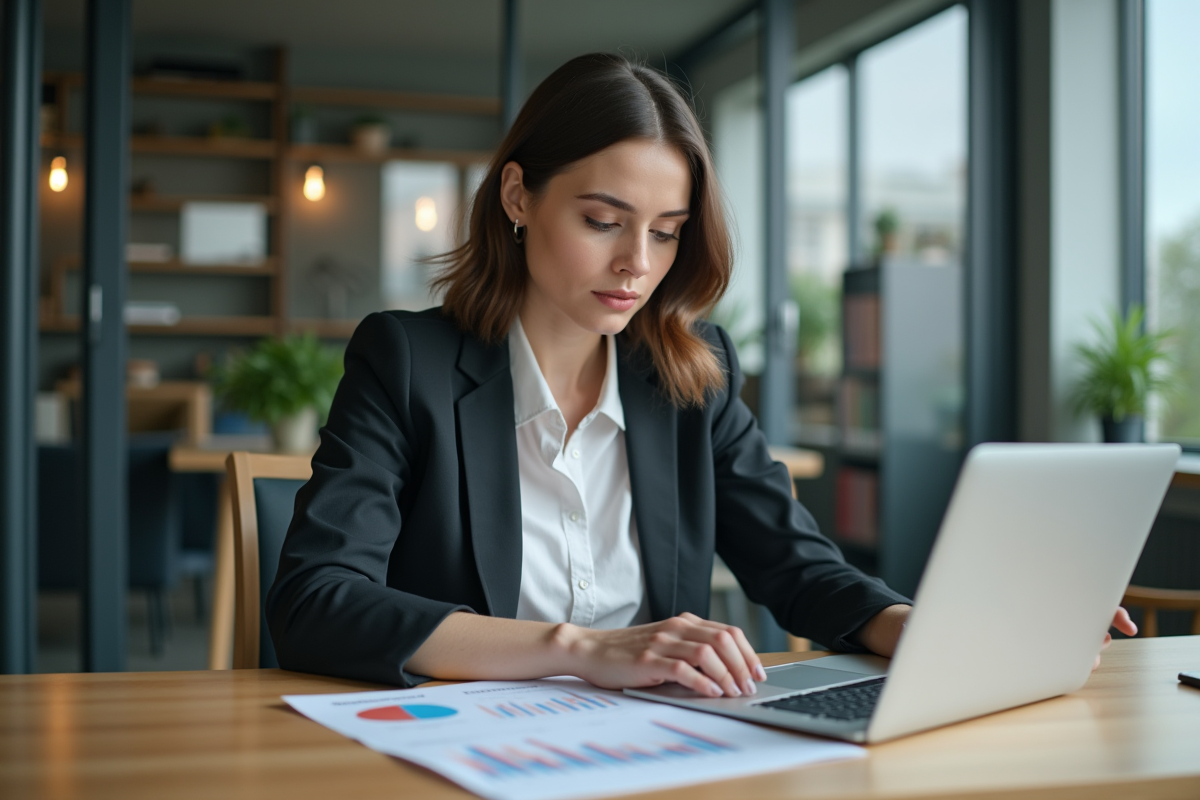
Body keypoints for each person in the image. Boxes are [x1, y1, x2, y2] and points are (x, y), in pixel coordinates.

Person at [267, 53, 1133, 696]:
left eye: (667, 230)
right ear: (519, 197)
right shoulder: (406, 360)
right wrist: (579, 648)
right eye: (604, 220)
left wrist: (932, 629)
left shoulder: (691, 373)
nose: (636, 264)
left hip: (662, 750)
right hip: (465, 756)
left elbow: (796, 568)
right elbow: (314, 601)